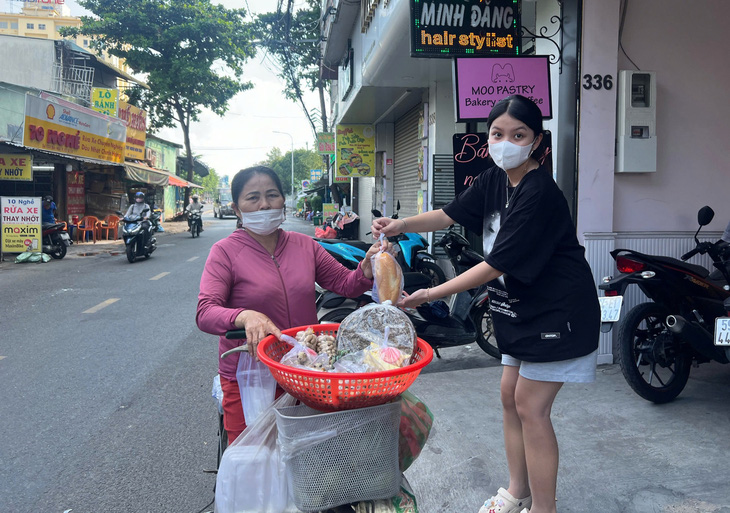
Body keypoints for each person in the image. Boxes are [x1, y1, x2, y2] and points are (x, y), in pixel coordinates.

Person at [372, 95, 600, 513]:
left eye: (519, 134)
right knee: (509, 396)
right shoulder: (495, 179)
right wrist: (401, 224)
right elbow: (448, 214)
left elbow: (495, 265)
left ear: (536, 141)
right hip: (519, 309)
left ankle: (543, 509)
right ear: (488, 136)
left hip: (558, 312)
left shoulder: (539, 192)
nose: (506, 142)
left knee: (532, 406)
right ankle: (518, 492)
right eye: (498, 133)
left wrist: (430, 294)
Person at [196, 165, 388, 442]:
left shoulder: (304, 245)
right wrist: (244, 316)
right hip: (250, 373)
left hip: (305, 369)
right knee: (253, 459)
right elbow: (205, 312)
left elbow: (346, 284)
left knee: (306, 458)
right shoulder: (224, 252)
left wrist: (368, 266)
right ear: (237, 209)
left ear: (283, 201)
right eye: (253, 198)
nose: (264, 204)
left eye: (271, 195)